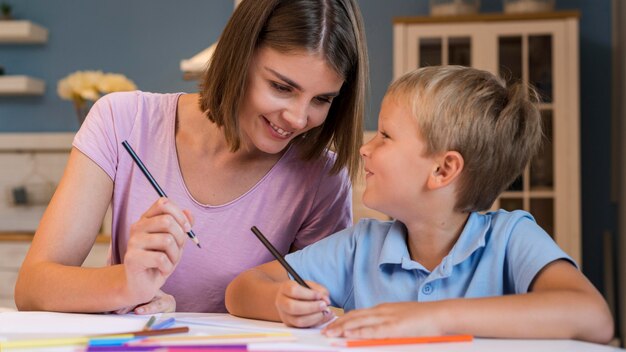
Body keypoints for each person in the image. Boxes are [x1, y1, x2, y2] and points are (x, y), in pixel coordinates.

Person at [15, 0, 369, 314]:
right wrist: (126, 284)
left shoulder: (322, 178)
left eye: (322, 99)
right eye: (281, 87)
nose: (297, 118)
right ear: (238, 58)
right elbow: (32, 286)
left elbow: (324, 312)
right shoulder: (123, 120)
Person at [225, 66, 614, 343]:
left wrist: (432, 317)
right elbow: (242, 289)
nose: (365, 147)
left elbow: (593, 317)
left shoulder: (511, 238)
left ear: (443, 170)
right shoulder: (361, 246)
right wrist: (281, 300)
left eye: (386, 136)